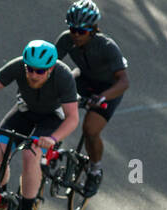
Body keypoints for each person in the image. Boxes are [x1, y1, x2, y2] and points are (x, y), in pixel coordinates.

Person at [0, 39, 80, 210]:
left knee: (30, 156)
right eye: (30, 69)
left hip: (52, 118)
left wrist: (53, 138)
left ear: (50, 70)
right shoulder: (18, 66)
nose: (33, 74)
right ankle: (1, 200)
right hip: (25, 110)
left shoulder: (63, 76)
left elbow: (73, 118)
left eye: (40, 71)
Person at [55, 1, 130, 197]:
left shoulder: (107, 46)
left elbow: (123, 82)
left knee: (90, 129)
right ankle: (52, 145)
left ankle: (95, 170)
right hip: (83, 79)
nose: (76, 35)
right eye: (73, 29)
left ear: (93, 29)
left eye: (82, 31)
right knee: (55, 105)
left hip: (109, 88)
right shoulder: (66, 40)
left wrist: (102, 97)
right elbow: (50, 66)